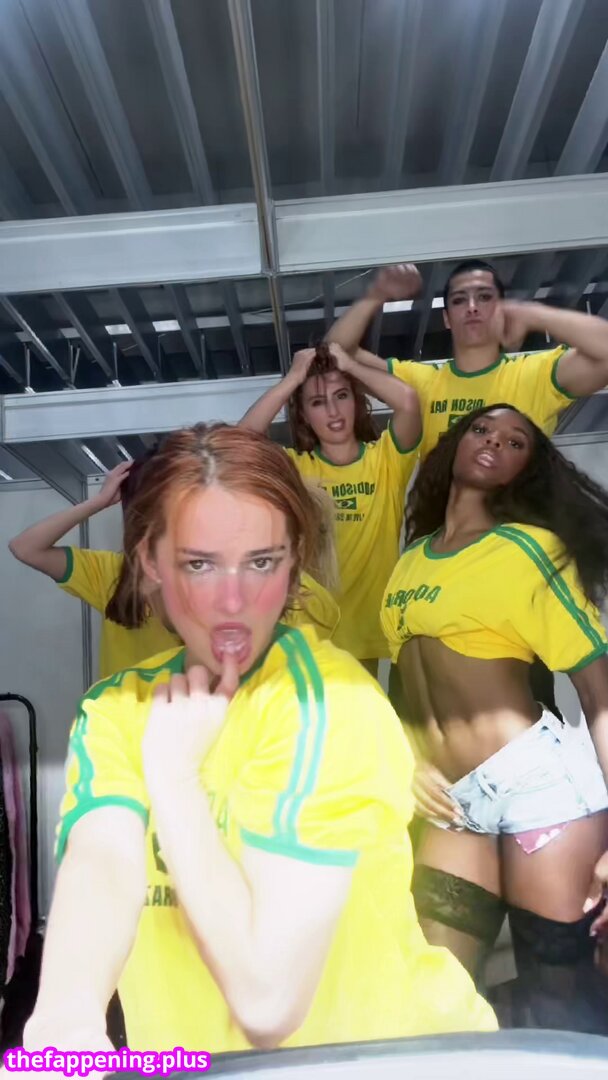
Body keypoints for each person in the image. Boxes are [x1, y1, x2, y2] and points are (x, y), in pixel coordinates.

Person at [22, 423, 496, 1058]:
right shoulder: (114, 707)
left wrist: (175, 779)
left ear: (294, 560)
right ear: (150, 563)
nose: (233, 600)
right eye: (198, 563)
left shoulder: (330, 703)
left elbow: (268, 1003)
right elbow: (103, 862)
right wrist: (63, 1028)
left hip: (384, 1061)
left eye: (261, 562)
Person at [381, 404, 608, 1033]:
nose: (493, 443)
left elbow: (599, 694)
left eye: (514, 442)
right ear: (456, 443)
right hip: (452, 801)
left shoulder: (532, 550)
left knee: (559, 997)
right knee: (435, 998)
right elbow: (406, 689)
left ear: (527, 469)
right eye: (482, 430)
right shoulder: (411, 560)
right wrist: (408, 759)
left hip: (538, 786)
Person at [240, 342, 421, 672]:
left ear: (356, 401)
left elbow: (409, 401)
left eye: (341, 395)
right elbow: (241, 440)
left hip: (366, 626)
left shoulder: (387, 460)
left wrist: (350, 365)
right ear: (304, 416)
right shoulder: (296, 469)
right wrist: (293, 379)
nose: (334, 411)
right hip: (308, 628)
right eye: (317, 402)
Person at [327, 258, 608, 460]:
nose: (472, 307)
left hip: (518, 526)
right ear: (447, 318)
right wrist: (376, 294)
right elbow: (333, 354)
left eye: (484, 297)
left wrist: (533, 314)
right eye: (460, 300)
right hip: (444, 526)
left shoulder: (537, 373)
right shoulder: (420, 380)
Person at [8, 458, 181, 680]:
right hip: (121, 702)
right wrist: (98, 502)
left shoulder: (207, 575)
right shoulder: (110, 571)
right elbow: (24, 547)